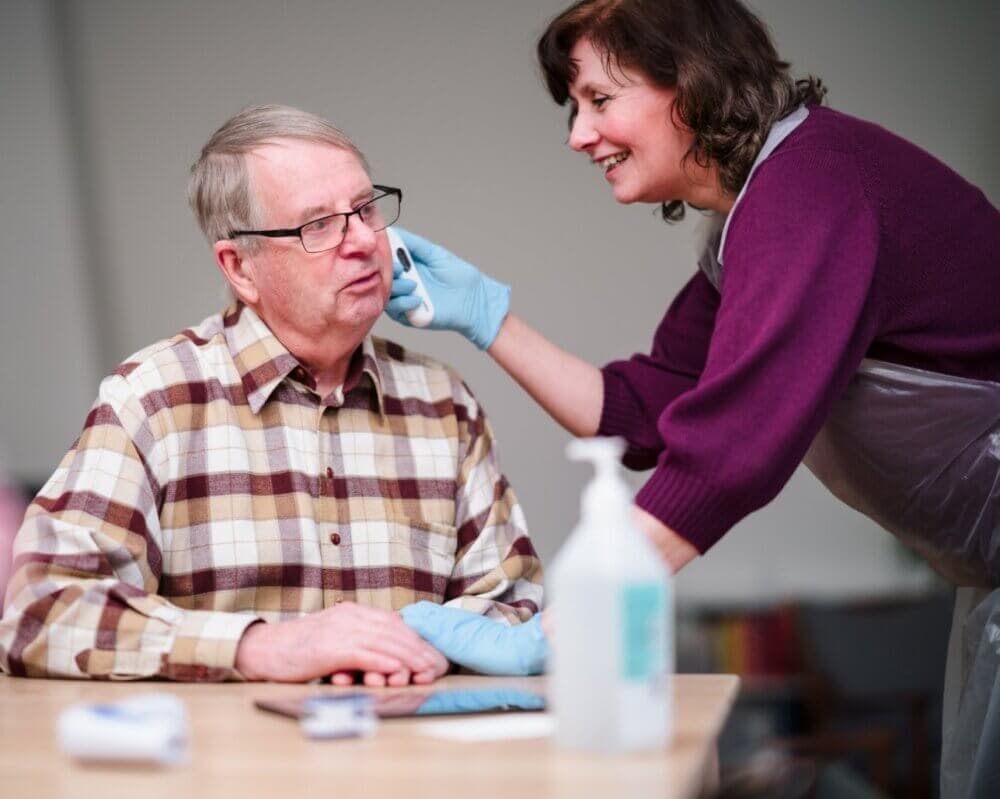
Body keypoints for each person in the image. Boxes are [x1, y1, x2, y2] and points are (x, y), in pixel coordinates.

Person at [387, 1, 998, 795]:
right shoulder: (755, 217)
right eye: (574, 107)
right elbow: (641, 412)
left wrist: (568, 626)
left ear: (693, 86)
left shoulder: (814, 188)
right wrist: (488, 319)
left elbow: (732, 452)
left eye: (600, 100)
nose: (578, 135)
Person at [0, 104, 543, 686]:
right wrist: (260, 647)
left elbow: (512, 602)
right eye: (319, 225)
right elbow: (43, 613)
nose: (364, 240)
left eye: (365, 208)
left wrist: (422, 648)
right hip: (231, 746)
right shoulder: (153, 400)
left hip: (406, 739)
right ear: (240, 268)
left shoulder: (443, 403)